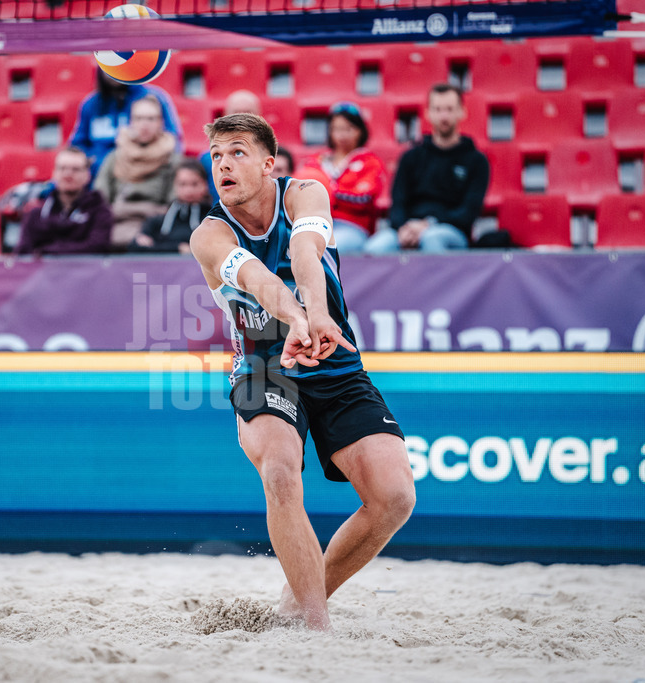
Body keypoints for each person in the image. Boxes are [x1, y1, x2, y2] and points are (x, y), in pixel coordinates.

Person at [190, 113, 415, 631]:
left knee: (394, 498)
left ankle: (297, 600)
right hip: (264, 367)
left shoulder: (306, 193)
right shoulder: (208, 235)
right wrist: (295, 318)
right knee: (279, 470)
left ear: (269, 163)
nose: (223, 163)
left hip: (333, 361)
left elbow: (303, 251)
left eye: (238, 152)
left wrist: (314, 317)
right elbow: (255, 276)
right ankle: (315, 628)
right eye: (217, 155)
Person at [365, 83, 490, 254]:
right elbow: (398, 203)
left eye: (449, 109)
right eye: (438, 109)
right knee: (375, 247)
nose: (443, 116)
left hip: (451, 232)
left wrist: (428, 225)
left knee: (432, 239)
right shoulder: (411, 157)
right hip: (408, 228)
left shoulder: (477, 161)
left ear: (462, 112)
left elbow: (468, 212)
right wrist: (404, 228)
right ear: (428, 113)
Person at [297, 102, 388, 254]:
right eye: (337, 129)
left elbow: (364, 199)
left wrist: (328, 190)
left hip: (353, 227)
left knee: (325, 248)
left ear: (360, 130)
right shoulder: (315, 162)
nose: (342, 135)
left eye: (349, 129)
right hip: (315, 224)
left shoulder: (370, 162)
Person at [93, 95, 182, 250]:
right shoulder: (114, 158)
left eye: (151, 119)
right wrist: (147, 209)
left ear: (161, 123)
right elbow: (100, 205)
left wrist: (122, 209)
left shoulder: (173, 161)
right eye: (139, 118)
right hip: (114, 231)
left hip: (155, 233)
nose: (144, 125)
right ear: (131, 122)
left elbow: (172, 209)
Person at [69, 68, 183, 178]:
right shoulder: (90, 104)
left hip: (146, 173)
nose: (114, 70)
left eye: (118, 64)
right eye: (108, 65)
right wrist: (92, 161)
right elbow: (77, 145)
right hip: (98, 175)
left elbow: (172, 140)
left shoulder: (152, 97)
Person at [14, 146, 113, 255]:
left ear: (87, 175)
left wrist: (46, 252)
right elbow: (22, 254)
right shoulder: (36, 214)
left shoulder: (100, 212)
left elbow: (97, 248)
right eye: (62, 168)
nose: (68, 174)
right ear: (54, 173)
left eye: (75, 169)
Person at [128, 158, 211, 254]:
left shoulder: (212, 220)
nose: (188, 190)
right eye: (182, 184)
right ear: (174, 185)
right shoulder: (157, 221)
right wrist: (178, 248)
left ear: (205, 185)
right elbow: (135, 247)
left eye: (194, 184)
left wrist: (155, 246)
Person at [199, 89, 264, 201]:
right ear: (225, 116)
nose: (241, 118)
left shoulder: (274, 155)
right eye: (235, 113)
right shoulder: (207, 158)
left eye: (248, 112)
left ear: (259, 116)